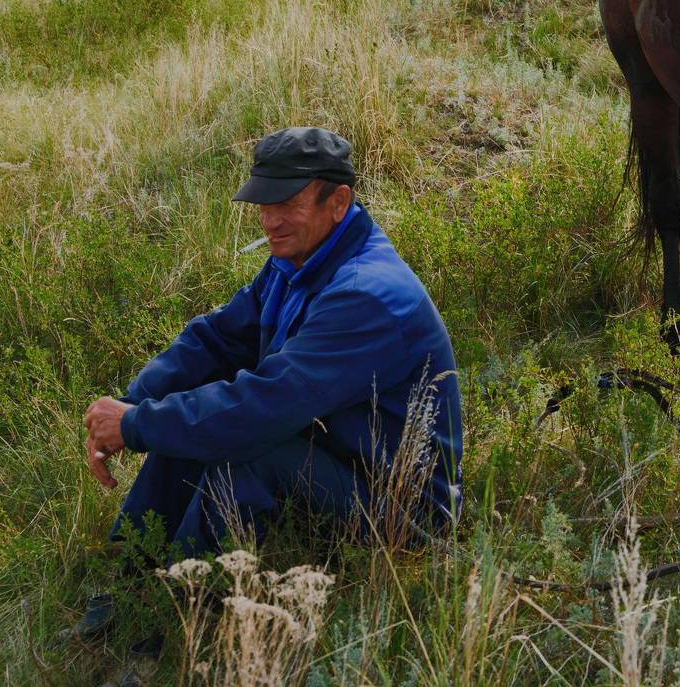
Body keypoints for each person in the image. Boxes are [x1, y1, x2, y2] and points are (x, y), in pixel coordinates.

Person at [73, 126, 463, 655]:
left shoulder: (365, 294)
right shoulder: (298, 260)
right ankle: (130, 585)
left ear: (338, 202)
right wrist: (133, 405)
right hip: (337, 458)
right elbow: (215, 339)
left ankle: (173, 626)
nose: (269, 220)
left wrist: (136, 425)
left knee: (241, 448)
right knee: (187, 421)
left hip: (401, 511)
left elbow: (262, 407)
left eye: (286, 204)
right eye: (262, 203)